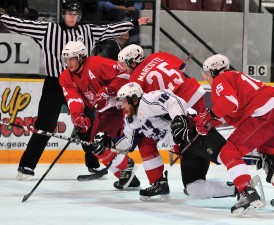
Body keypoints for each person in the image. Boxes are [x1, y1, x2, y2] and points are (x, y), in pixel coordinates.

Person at [0, 0, 151, 180]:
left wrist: (132, 23)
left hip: (80, 83)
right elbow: (23, 25)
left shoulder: (87, 31)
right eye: (69, 14)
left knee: (87, 125)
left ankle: (93, 164)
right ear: (63, 14)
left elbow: (109, 29)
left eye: (75, 14)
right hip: (55, 84)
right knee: (44, 126)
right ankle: (26, 166)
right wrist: (2, 17)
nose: (72, 17)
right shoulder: (48, 30)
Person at [117, 44, 231, 200]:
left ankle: (160, 182)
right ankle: (195, 180)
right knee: (189, 137)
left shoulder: (135, 80)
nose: (124, 69)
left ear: (133, 62)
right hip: (194, 93)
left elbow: (150, 103)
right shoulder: (159, 55)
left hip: (177, 102)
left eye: (125, 64)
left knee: (147, 143)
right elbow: (181, 67)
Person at [93, 82, 237, 201]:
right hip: (185, 147)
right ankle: (236, 189)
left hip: (196, 133)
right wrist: (109, 143)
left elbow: (173, 101)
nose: (122, 107)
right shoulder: (131, 119)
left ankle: (248, 189)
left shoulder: (148, 100)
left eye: (124, 102)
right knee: (193, 188)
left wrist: (178, 118)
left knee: (229, 156)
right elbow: (128, 143)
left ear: (134, 100)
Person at [194, 54, 274, 215]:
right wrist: (210, 120)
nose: (205, 77)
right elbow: (230, 111)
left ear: (213, 71)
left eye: (206, 73)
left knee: (229, 152)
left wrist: (207, 116)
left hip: (265, 115)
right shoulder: (236, 76)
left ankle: (247, 192)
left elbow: (228, 103)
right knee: (269, 154)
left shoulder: (221, 80)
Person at [59, 41, 140, 189]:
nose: (68, 63)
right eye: (66, 59)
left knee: (100, 144)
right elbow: (73, 98)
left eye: (72, 58)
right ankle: (128, 178)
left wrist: (108, 90)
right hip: (103, 111)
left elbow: (124, 74)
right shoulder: (65, 77)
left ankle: (126, 168)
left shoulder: (96, 63)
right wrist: (77, 116)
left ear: (82, 57)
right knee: (95, 146)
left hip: (119, 106)